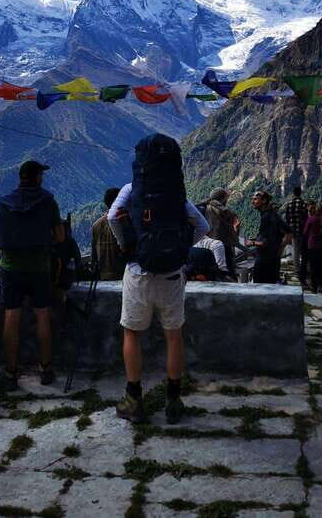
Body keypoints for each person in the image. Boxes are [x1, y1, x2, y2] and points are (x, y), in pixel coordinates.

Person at [108, 134, 209, 425]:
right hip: (172, 275)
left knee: (131, 333)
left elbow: (113, 216)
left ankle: (134, 399)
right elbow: (202, 226)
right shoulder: (178, 195)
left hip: (139, 272)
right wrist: (181, 247)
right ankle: (174, 400)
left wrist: (126, 244)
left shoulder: (131, 189)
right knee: (173, 335)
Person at [0, 160, 64, 390]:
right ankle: (45, 368)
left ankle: (11, 373)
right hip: (40, 267)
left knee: (11, 317)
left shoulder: (2, 203)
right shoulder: (48, 201)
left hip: (11, 268)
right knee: (43, 314)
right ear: (37, 177)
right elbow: (60, 236)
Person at [249, 189, 292, 283]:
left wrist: (251, 242)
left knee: (260, 287)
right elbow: (289, 231)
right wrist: (280, 247)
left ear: (264, 201)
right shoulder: (274, 215)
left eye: (255, 199)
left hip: (264, 260)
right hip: (274, 259)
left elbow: (265, 243)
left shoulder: (266, 217)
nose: (252, 201)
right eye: (252, 199)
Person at [201, 188, 240, 280]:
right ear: (223, 199)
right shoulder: (228, 213)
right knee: (228, 276)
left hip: (205, 248)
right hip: (225, 249)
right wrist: (236, 229)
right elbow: (234, 237)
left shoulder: (203, 208)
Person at [91, 187, 125, 280]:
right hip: (122, 276)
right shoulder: (123, 224)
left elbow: (94, 256)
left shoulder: (96, 225)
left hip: (103, 276)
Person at [303, 203, 322, 293]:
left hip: (313, 248)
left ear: (316, 210)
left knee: (314, 269)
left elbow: (305, 233)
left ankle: (314, 288)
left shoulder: (311, 219)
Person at [284, 186, 309, 284]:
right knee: (304, 251)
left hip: (292, 231)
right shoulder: (304, 204)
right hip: (302, 231)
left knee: (295, 251)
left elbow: (286, 219)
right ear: (300, 193)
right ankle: (304, 270)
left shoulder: (289, 204)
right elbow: (306, 218)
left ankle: (297, 270)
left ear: (293, 193)